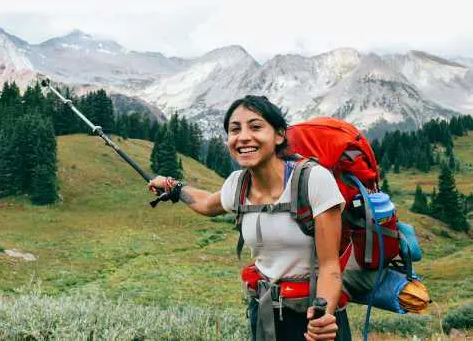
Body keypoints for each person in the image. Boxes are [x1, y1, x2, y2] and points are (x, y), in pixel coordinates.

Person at [148, 95, 351, 341]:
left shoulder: (313, 180)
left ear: (279, 135)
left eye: (255, 127)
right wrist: (172, 186)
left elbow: (331, 268)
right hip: (264, 312)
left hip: (312, 314)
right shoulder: (238, 184)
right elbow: (206, 203)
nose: (243, 137)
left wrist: (324, 316)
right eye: (235, 129)